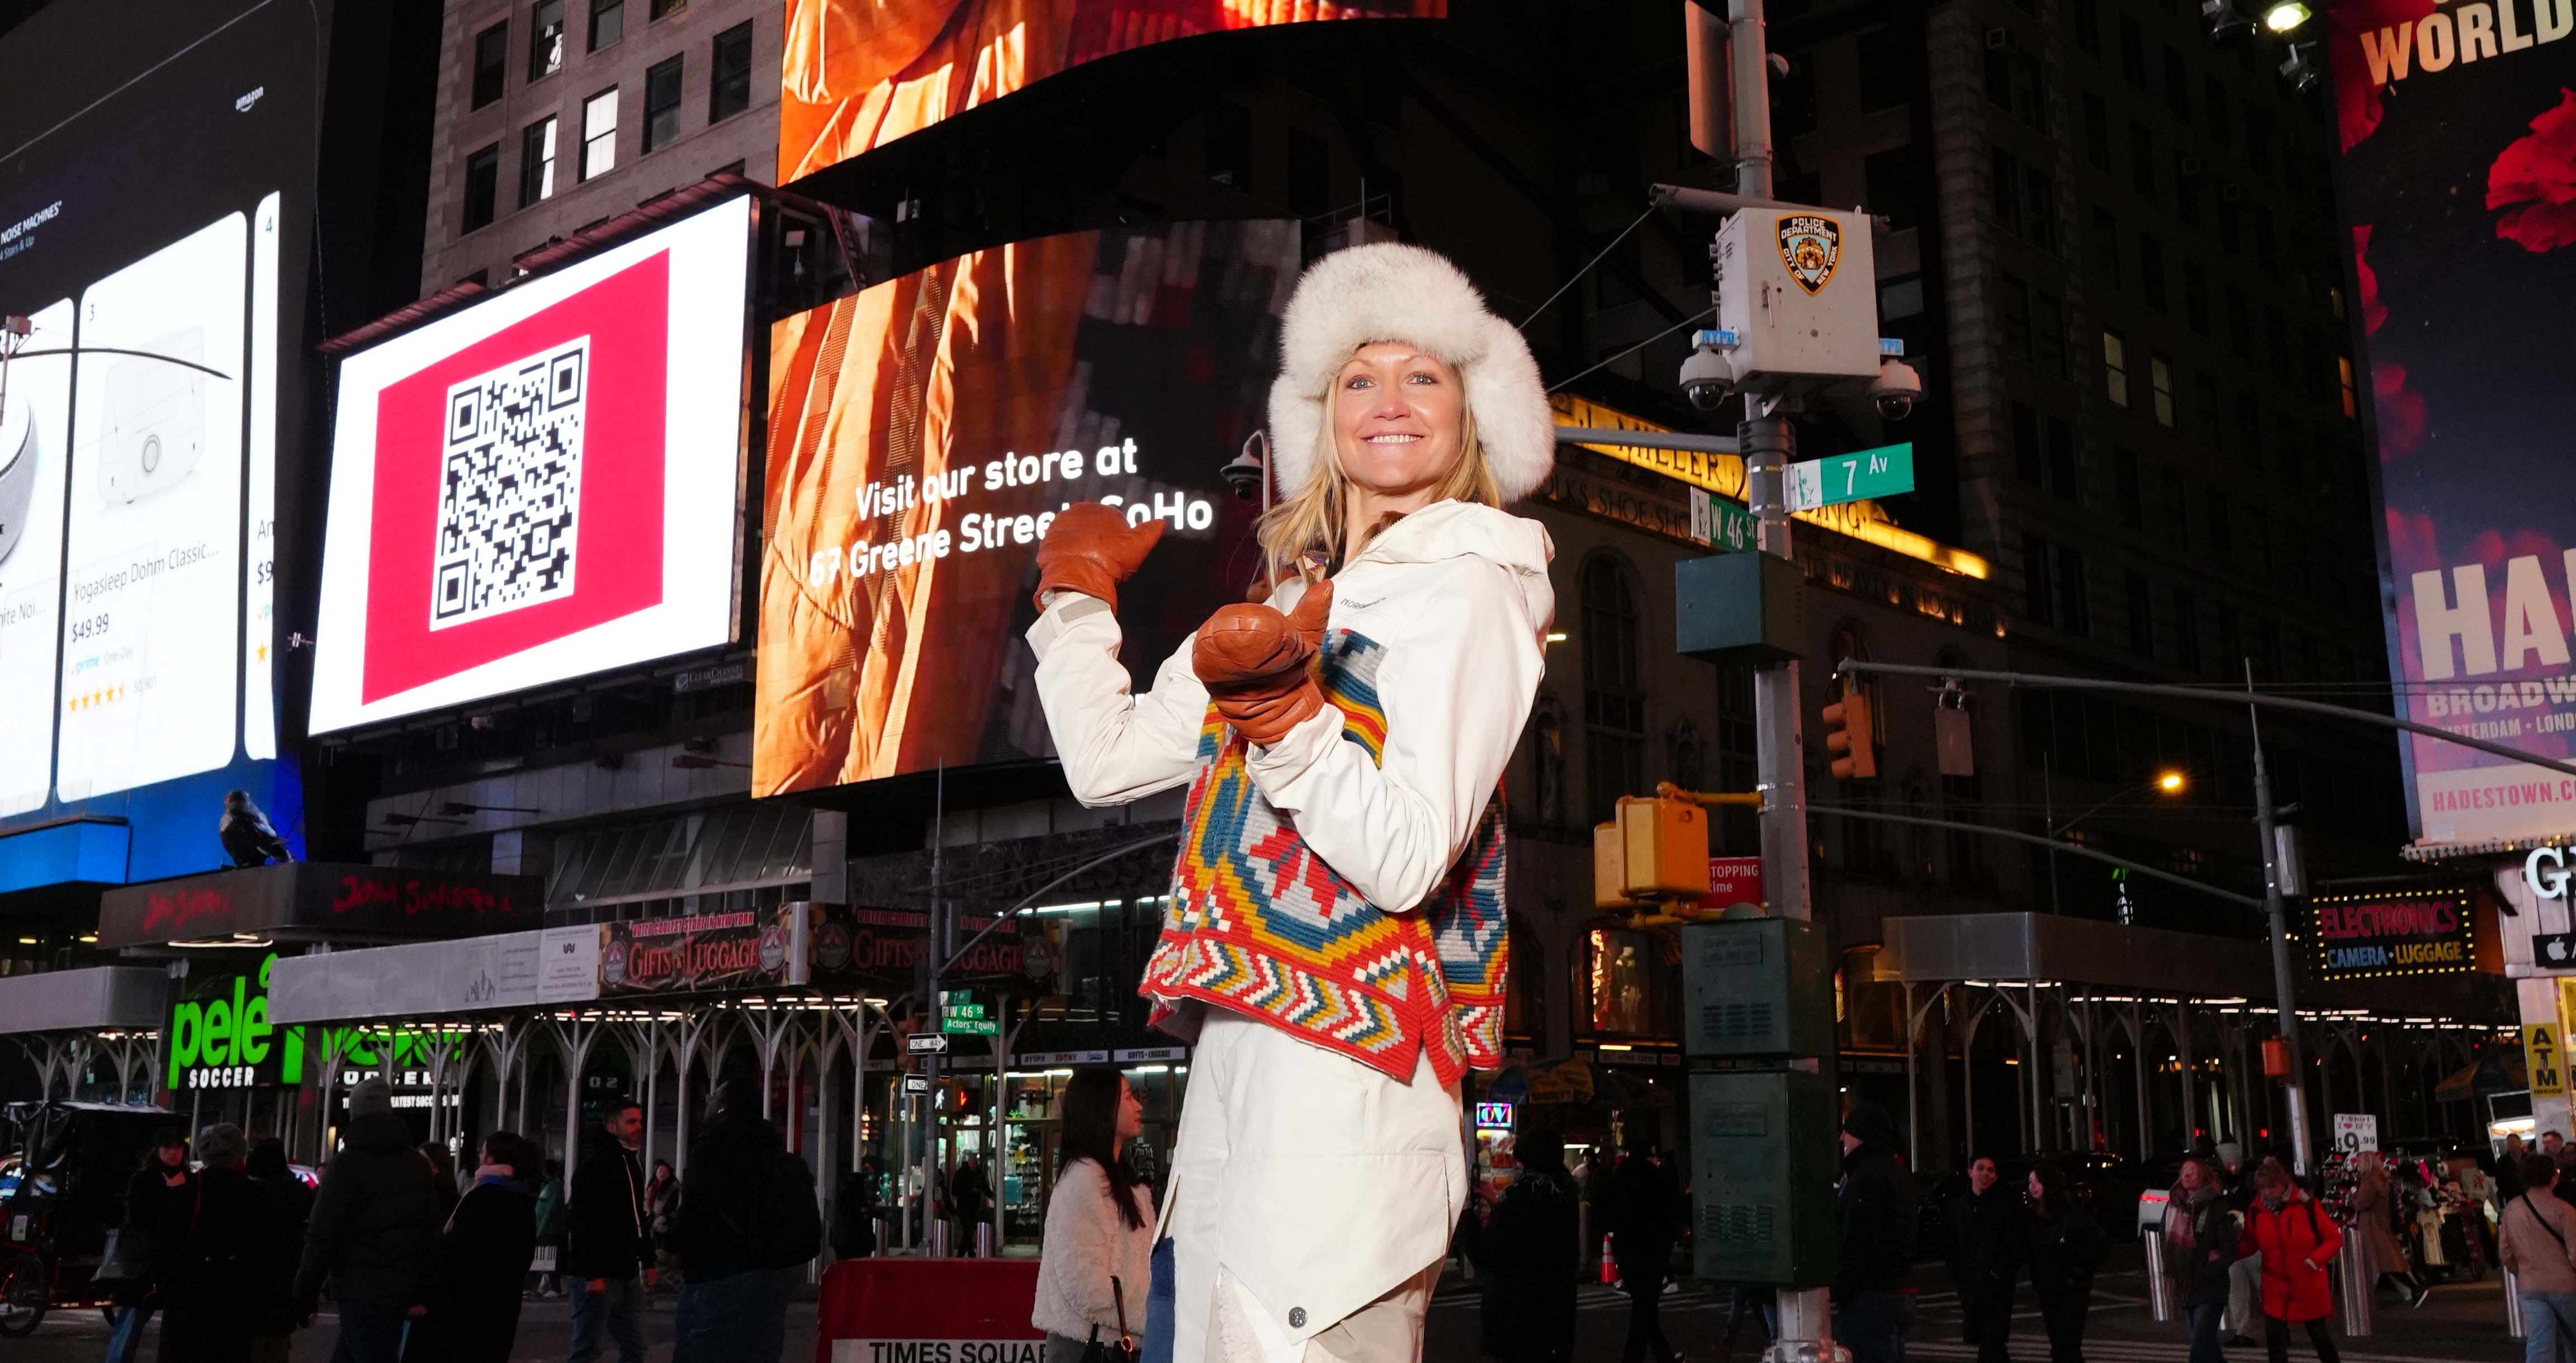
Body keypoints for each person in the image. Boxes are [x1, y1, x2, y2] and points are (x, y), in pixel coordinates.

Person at [1026, 240, 1553, 1363]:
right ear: (1321, 413)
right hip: (1232, 1081)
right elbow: (1106, 761)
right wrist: (1076, 600)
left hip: (1353, 1100)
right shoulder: (1290, 600)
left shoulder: (1473, 584)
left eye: (1426, 376)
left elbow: (1409, 854)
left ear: (1473, 414)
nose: (1391, 402)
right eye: (1360, 376)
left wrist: (1288, 721)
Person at [293, 1077, 443, 1363]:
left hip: (358, 1286)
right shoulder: (416, 1165)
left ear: (355, 1113)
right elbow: (430, 1231)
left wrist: (305, 1294)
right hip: (401, 1285)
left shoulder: (347, 1165)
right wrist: (426, 1288)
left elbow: (322, 1236)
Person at [671, 1075, 812, 1363]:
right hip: (771, 1276)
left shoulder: (712, 1148)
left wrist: (672, 1244)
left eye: (713, 1099)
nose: (707, 1103)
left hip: (721, 1275)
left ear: (724, 1108)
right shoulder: (770, 1150)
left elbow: (696, 1210)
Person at [1033, 1068, 1158, 1363]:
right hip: (1090, 1350)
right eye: (1128, 1097)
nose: (1138, 1105)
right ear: (1102, 1109)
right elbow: (1085, 1287)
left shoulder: (1118, 1181)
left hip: (1114, 1344)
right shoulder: (1084, 1181)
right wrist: (1155, 1315)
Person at [149, 1123, 276, 1363]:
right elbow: (265, 1250)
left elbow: (162, 1245)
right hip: (233, 1296)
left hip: (187, 1293)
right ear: (240, 1154)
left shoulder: (186, 1190)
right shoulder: (255, 1193)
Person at [415, 1130, 543, 1363]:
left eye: (483, 1152)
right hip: (503, 1303)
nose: (480, 1156)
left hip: (466, 1304)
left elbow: (455, 1251)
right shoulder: (522, 1198)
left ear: (491, 1159)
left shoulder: (481, 1196)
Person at [1471, 1124, 1578, 1363]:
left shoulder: (1525, 1194)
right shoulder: (1562, 1188)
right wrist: (1499, 1204)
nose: (1517, 1165)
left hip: (1519, 1315)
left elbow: (1489, 1250)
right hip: (1554, 1311)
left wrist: (1470, 1221)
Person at [565, 1100, 655, 1363]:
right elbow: (581, 1221)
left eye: (639, 1121)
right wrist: (592, 1274)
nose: (638, 1127)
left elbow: (638, 1218)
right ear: (612, 1126)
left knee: (634, 1347)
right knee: (587, 1347)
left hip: (625, 1271)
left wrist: (647, 1260)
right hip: (599, 1273)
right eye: (631, 1122)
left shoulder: (631, 1165)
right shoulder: (594, 1166)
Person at [1834, 1103, 1919, 1363]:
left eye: (1846, 1130)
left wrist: (1844, 1289)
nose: (1842, 1138)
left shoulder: (1868, 1175)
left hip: (1871, 1296)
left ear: (1861, 1134)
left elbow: (1859, 1240)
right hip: (1894, 1291)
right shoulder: (1895, 1171)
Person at [2237, 1158, 2340, 1363]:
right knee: (2274, 1335)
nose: (2266, 1192)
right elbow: (2250, 1241)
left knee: (2319, 1335)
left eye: (2271, 1186)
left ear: (2283, 1183)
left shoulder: (2306, 1206)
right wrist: (2228, 1252)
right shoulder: (2257, 1210)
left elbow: (2333, 1239)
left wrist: (2314, 1260)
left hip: (2307, 1281)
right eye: (2262, 1187)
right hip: (2275, 1284)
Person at [102, 1128, 191, 1363]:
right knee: (132, 1320)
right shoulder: (144, 1179)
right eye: (167, 1147)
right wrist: (173, 1193)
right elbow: (141, 1218)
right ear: (156, 1150)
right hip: (144, 1264)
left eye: (178, 1147)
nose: (173, 1153)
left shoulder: (189, 1180)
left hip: (176, 1264)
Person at [1608, 1136, 1684, 1363]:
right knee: (1645, 1309)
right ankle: (1638, 1358)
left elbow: (1607, 1210)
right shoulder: (1657, 1180)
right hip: (1652, 1255)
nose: (1655, 1160)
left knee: (1645, 1308)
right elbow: (1671, 1215)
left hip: (1628, 1253)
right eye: (1653, 1156)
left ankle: (1663, 1356)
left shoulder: (1621, 1178)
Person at [1945, 1154, 2023, 1363]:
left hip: (1997, 1287)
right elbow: (1951, 1248)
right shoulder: (1957, 1208)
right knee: (1985, 1340)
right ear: (1970, 1171)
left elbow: (2016, 1246)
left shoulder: (2006, 1207)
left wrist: (1998, 1273)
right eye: (1980, 1168)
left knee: (1992, 1339)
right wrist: (1959, 1278)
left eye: (1991, 1170)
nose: (1985, 1174)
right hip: (1970, 1287)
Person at [2025, 1163, 2105, 1363]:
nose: (2033, 1186)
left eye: (2038, 1181)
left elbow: (2100, 1246)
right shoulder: (2032, 1216)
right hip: (2048, 1289)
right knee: (2060, 1345)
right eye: (2030, 1182)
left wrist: (2074, 1258)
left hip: (2072, 1287)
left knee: (2066, 1346)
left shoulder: (2072, 1213)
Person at [245, 1138, 315, 1363]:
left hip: (252, 1286)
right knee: (278, 1347)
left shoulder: (250, 1194)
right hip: (287, 1289)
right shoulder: (302, 1195)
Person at [2503, 1154, 2576, 1363]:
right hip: (2566, 1286)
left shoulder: (2512, 1209)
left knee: (2539, 1344)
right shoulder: (2565, 1210)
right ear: (2553, 1177)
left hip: (2530, 1286)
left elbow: (2505, 1253)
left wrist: (2523, 1272)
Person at [2168, 1155, 2242, 1363]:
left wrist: (2210, 1269)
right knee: (2205, 1343)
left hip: (2210, 1286)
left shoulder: (2216, 1206)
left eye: (2193, 1171)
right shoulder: (2175, 1205)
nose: (2187, 1175)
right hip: (2186, 1285)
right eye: (2184, 1172)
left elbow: (2229, 1247)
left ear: (2204, 1177)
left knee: (2200, 1344)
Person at [2348, 1152, 2428, 1307]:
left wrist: (2353, 1197)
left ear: (2367, 1163)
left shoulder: (2369, 1181)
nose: (2357, 1165)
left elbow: (2362, 1203)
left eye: (2359, 1162)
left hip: (2371, 1227)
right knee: (2387, 1262)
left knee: (2379, 1263)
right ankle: (2415, 1288)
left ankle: (2362, 1302)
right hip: (2381, 1224)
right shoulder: (2382, 1180)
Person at [2216, 1144, 2261, 1347]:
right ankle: (2243, 1331)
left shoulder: (2250, 1181)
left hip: (2253, 1243)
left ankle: (2280, 1326)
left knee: (2266, 1287)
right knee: (2236, 1291)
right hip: (2234, 1245)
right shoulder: (2221, 1183)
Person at [532, 1159, 569, 1296]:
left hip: (552, 1229)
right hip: (546, 1228)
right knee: (546, 1257)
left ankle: (555, 1286)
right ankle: (546, 1283)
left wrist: (541, 1228)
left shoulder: (555, 1186)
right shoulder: (547, 1185)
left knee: (552, 1257)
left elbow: (550, 1209)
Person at [951, 1151, 995, 1256]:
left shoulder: (978, 1173)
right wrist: (971, 1191)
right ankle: (968, 1253)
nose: (975, 1166)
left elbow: (984, 1186)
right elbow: (955, 1191)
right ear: (969, 1162)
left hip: (975, 1207)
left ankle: (965, 1253)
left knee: (969, 1230)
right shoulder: (961, 1173)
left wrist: (992, 1196)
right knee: (968, 1230)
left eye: (976, 1164)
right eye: (973, 1164)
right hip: (963, 1207)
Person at [831, 1168, 879, 1261]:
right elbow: (863, 1226)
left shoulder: (842, 1203)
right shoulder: (860, 1204)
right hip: (858, 1249)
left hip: (842, 1249)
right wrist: (872, 1242)